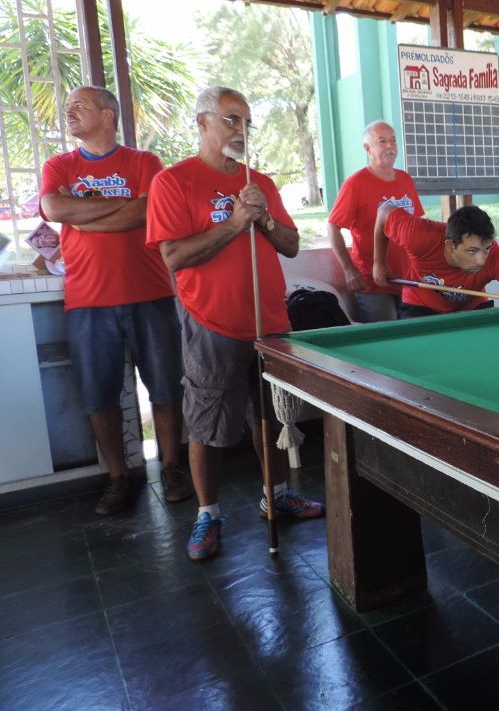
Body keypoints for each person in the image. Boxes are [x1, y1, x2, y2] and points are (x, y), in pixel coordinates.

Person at [146, 86, 324, 561]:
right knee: (207, 424)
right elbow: (174, 256)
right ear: (202, 121)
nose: (241, 130)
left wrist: (262, 217)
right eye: (231, 119)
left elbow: (291, 245)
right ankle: (208, 514)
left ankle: (277, 495)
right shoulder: (173, 182)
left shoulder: (259, 182)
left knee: (271, 416)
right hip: (212, 324)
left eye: (246, 121)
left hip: (270, 324)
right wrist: (234, 222)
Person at [38, 86, 189, 515]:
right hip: (87, 300)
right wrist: (120, 202)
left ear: (108, 115)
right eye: (67, 107)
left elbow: (145, 212)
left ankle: (172, 467)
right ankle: (119, 477)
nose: (69, 112)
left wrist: (84, 215)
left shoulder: (144, 162)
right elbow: (54, 208)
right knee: (98, 396)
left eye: (79, 106)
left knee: (165, 386)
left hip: (150, 294)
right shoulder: (58, 165)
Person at [327, 120, 424, 322]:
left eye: (393, 140)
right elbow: (333, 226)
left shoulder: (406, 179)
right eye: (382, 141)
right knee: (386, 334)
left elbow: (418, 226)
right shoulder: (355, 183)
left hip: (410, 279)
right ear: (367, 148)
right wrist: (349, 270)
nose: (390, 146)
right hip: (373, 283)